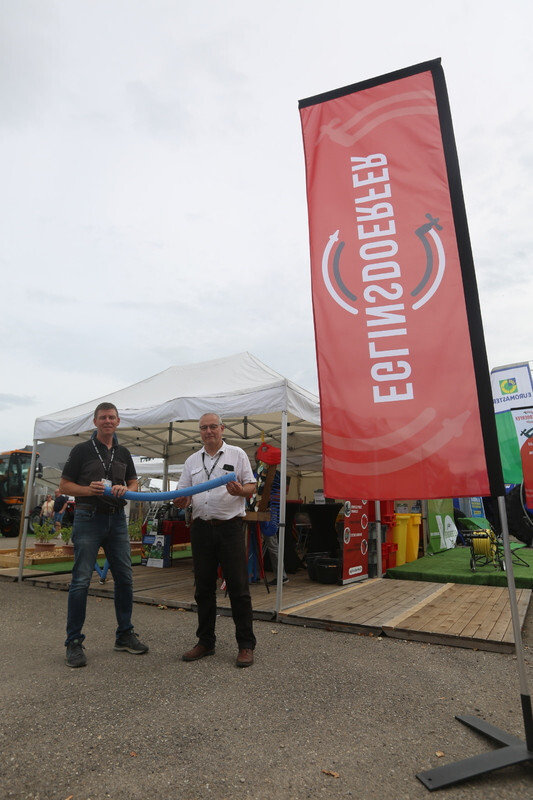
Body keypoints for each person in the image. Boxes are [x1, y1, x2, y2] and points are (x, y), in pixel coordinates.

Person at [59, 402, 149, 668]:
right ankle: (73, 642)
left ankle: (124, 635)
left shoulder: (123, 452)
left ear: (118, 421)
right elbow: (64, 485)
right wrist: (89, 490)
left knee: (125, 578)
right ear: (95, 422)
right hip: (88, 517)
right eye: (103, 417)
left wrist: (126, 488)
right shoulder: (81, 450)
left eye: (111, 417)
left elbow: (133, 482)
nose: (107, 421)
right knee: (80, 581)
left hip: (117, 519)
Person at [174, 412, 257, 667]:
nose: (208, 431)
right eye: (204, 428)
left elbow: (252, 486)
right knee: (203, 589)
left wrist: (241, 491)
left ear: (222, 428)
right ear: (200, 432)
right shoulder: (192, 460)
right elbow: (182, 494)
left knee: (238, 588)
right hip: (201, 527)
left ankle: (246, 645)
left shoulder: (237, 454)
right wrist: (181, 500)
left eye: (213, 426)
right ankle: (205, 642)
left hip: (230, 527)